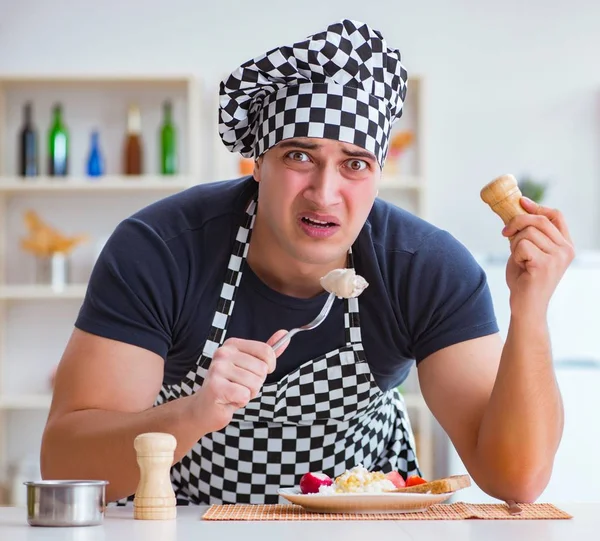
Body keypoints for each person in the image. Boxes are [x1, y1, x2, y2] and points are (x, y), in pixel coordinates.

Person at [40, 19, 574, 505]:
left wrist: (530, 308)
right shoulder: (160, 250)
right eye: (299, 156)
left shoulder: (425, 267)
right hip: (186, 519)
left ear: (379, 175)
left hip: (370, 523)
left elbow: (516, 480)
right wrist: (194, 413)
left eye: (355, 164)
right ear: (257, 163)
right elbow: (65, 465)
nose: (324, 193)